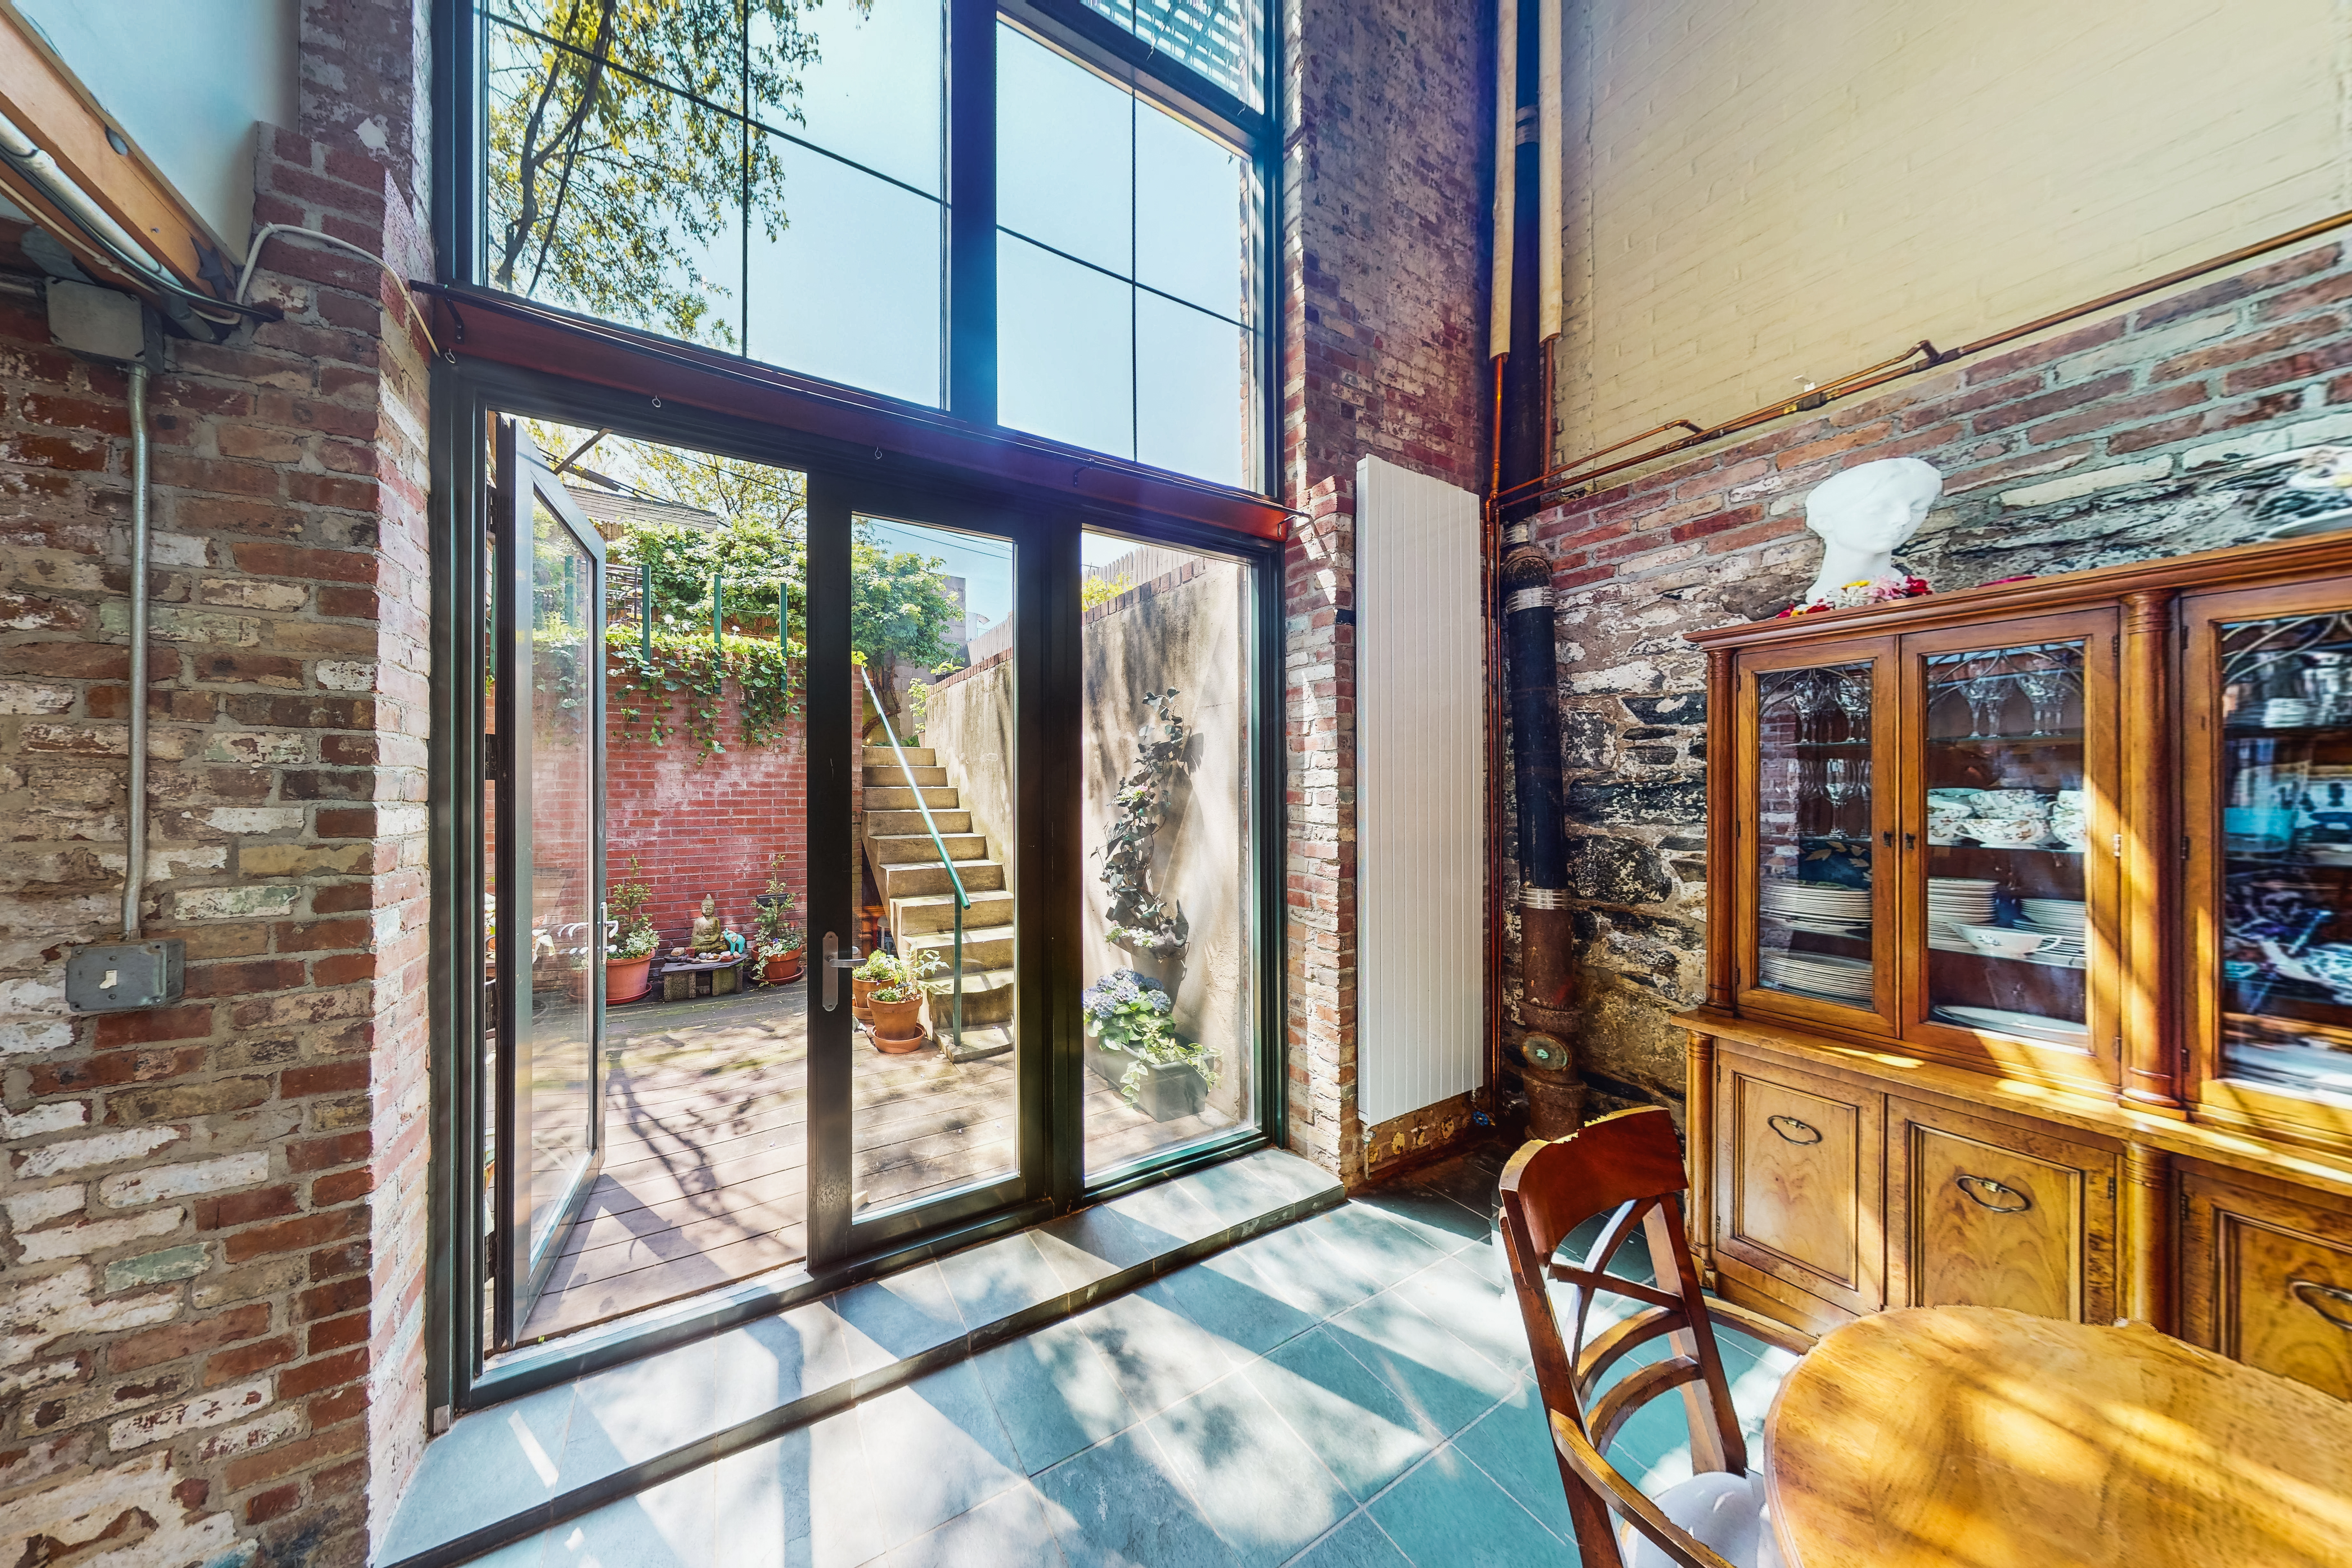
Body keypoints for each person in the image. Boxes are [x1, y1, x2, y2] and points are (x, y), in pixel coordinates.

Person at [1800, 457, 1942, 606]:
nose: (1904, 519)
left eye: (1916, 509)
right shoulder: (1819, 599)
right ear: (1826, 521)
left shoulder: (1909, 591)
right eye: (1880, 508)